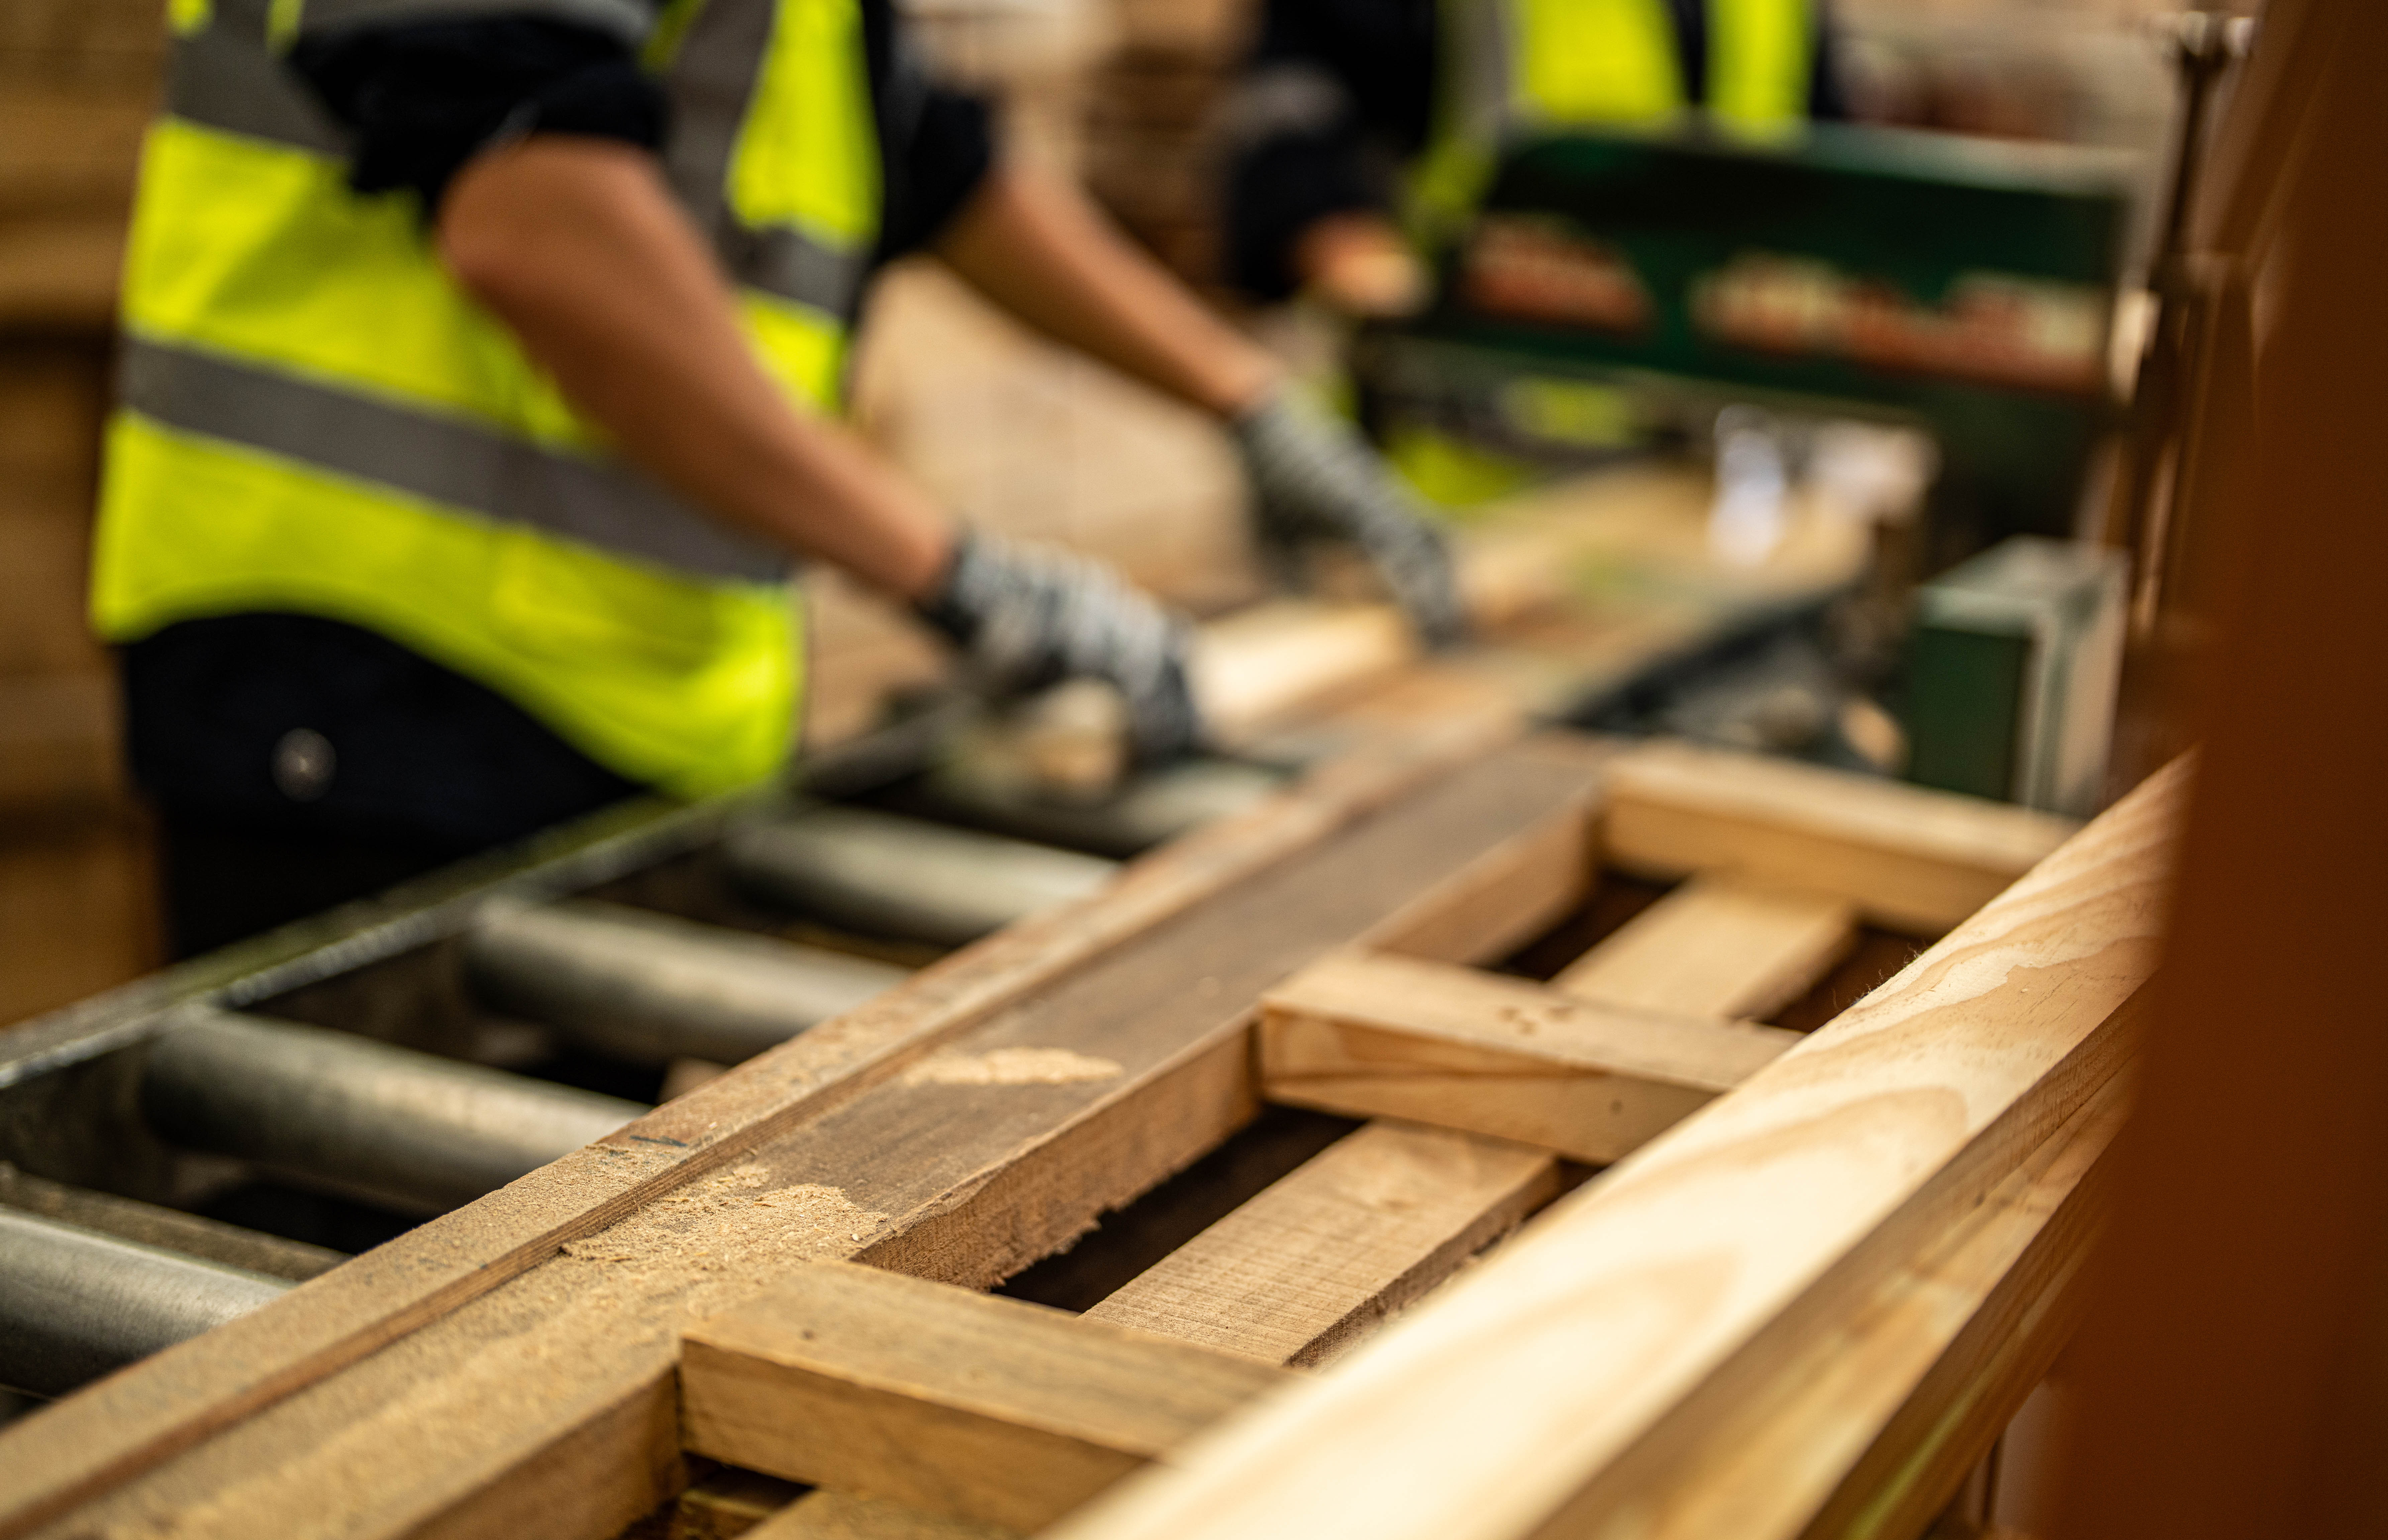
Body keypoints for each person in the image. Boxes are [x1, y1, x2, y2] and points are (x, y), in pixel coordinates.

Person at [95, 0, 1462, 957]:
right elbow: (533, 210)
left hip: (590, 679)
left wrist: (1247, 403)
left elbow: (926, 154)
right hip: (365, 669)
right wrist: (948, 568)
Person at [1224, 0, 1849, 316]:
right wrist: (1346, 250)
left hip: (1726, 460)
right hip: (1470, 461)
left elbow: (1828, 151)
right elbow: (1289, 111)